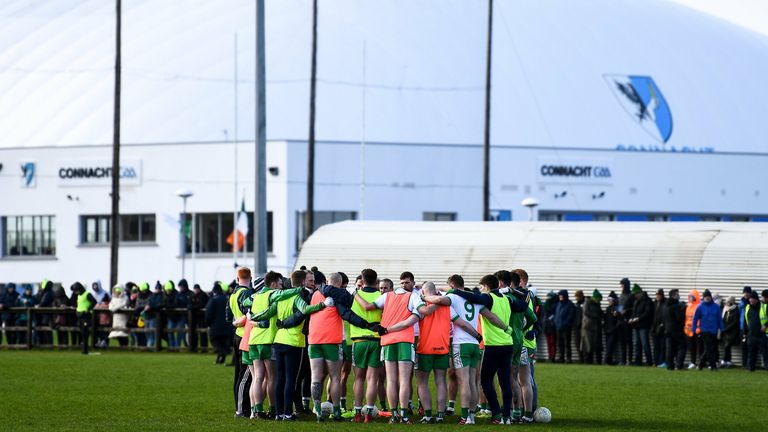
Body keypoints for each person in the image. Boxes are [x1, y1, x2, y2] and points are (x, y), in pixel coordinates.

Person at [446, 274, 532, 425]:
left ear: (486, 286)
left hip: (493, 346)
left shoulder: (488, 298)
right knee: (505, 382)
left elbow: (473, 298)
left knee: (485, 382)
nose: (480, 290)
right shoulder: (507, 299)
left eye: (481, 287)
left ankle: (496, 414)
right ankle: (507, 416)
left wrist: (454, 291)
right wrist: (520, 292)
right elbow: (523, 305)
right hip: (508, 344)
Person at [251, 270, 328, 421]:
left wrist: (252, 316)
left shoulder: (280, 298)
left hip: (278, 340)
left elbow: (267, 312)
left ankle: (279, 414)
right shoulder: (297, 297)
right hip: (293, 341)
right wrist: (322, 305)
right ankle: (287, 413)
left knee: (280, 379)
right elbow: (305, 310)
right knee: (290, 379)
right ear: (302, 282)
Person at [353, 271, 426, 424]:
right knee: (405, 380)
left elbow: (367, 306)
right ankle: (404, 416)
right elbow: (417, 315)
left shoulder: (387, 296)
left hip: (387, 341)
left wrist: (355, 293)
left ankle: (393, 416)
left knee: (391, 380)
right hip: (404, 341)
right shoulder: (412, 296)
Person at [319, 269, 386, 423]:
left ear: (361, 280)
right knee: (372, 378)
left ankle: (357, 413)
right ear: (376, 282)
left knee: (358, 378)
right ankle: (368, 413)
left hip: (358, 341)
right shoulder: (381, 297)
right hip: (376, 340)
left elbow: (346, 313)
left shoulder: (353, 296)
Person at [423, 274, 483, 424]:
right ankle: (472, 416)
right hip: (475, 345)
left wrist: (425, 297)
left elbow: (438, 300)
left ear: (452, 286)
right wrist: (477, 335)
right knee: (472, 382)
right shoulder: (475, 298)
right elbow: (490, 315)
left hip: (461, 344)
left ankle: (464, 418)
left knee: (463, 382)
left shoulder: (454, 297)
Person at [226, 267, 257, 418]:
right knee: (245, 375)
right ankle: (241, 409)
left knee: (240, 374)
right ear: (250, 278)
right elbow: (250, 314)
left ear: (238, 278)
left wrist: (236, 322)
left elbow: (228, 317)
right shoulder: (247, 293)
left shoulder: (233, 294)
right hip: (246, 337)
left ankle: (241, 407)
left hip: (237, 336)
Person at [691, 289, 724, 371]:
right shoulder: (700, 307)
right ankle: (713, 366)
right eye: (706, 297)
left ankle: (701, 364)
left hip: (714, 330)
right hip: (704, 330)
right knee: (710, 348)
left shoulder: (716, 307)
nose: (707, 298)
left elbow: (719, 318)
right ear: (703, 297)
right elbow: (695, 319)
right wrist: (694, 328)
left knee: (709, 348)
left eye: (709, 296)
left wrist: (722, 328)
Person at [206, 281, 231, 365]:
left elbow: (209, 313)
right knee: (223, 342)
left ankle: (225, 352)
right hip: (227, 326)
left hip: (215, 326)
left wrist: (208, 323)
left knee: (215, 342)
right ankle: (220, 359)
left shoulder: (213, 300)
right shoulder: (227, 299)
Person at [628, 284, 653, 366]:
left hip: (643, 326)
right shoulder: (636, 301)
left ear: (639, 293)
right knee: (636, 344)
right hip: (636, 326)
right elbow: (633, 312)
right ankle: (638, 361)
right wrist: (631, 318)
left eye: (635, 294)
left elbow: (648, 313)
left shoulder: (647, 301)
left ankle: (649, 361)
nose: (634, 296)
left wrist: (638, 318)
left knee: (645, 343)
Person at [662, 289, 687, 371]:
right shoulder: (675, 306)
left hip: (667, 330)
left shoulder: (665, 306)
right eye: (677, 295)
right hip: (676, 330)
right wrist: (683, 310)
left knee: (670, 348)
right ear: (674, 296)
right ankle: (679, 365)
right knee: (683, 345)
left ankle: (670, 365)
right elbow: (680, 318)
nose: (679, 296)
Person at [743, 291, 766, 372]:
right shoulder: (747, 307)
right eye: (750, 299)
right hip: (751, 334)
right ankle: (750, 368)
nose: (751, 300)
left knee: (765, 352)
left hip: (761, 334)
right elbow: (745, 321)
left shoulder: (763, 306)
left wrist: (765, 325)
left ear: (756, 299)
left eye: (752, 299)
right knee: (751, 352)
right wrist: (745, 333)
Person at [71, 282, 96, 354]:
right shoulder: (79, 295)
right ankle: (84, 349)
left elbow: (94, 302)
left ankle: (85, 350)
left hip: (86, 316)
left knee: (85, 333)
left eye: (76, 290)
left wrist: (88, 309)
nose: (76, 292)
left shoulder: (87, 294)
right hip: (80, 316)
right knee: (82, 333)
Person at [581, 289, 603, 364]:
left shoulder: (597, 305)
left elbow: (601, 313)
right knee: (587, 346)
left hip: (595, 328)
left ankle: (595, 362)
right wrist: (596, 316)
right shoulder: (587, 302)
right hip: (587, 327)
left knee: (595, 346)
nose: (599, 301)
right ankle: (587, 362)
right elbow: (586, 312)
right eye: (599, 299)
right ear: (595, 298)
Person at [554, 290, 575, 363]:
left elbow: (570, 317)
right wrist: (556, 323)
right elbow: (556, 315)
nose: (560, 297)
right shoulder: (558, 304)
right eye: (559, 296)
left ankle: (569, 359)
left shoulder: (570, 305)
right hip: (558, 327)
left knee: (567, 344)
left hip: (566, 328)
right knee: (560, 344)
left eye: (561, 296)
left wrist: (565, 324)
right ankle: (561, 358)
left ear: (565, 296)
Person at [684, 289, 702, 369]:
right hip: (689, 330)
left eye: (692, 296)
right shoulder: (688, 306)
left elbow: (700, 319)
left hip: (697, 330)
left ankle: (700, 362)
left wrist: (698, 328)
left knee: (699, 347)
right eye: (689, 296)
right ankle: (693, 362)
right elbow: (687, 318)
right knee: (692, 347)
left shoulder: (699, 306)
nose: (690, 298)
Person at [189, 283, 209, 352]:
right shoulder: (192, 295)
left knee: (202, 333)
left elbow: (202, 304)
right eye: (194, 289)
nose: (195, 290)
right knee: (194, 333)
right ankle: (194, 347)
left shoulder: (203, 295)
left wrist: (193, 307)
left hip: (202, 317)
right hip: (194, 317)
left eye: (196, 289)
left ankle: (204, 348)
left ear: (199, 289)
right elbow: (190, 304)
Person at [618, 278, 634, 364]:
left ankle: (629, 360)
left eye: (622, 284)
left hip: (627, 321)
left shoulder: (631, 295)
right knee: (622, 341)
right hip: (620, 320)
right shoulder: (621, 295)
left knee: (628, 341)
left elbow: (634, 308)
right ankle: (623, 360)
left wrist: (626, 311)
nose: (621, 286)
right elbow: (619, 306)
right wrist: (617, 311)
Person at [720, 296, 739, 368]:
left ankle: (725, 360)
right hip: (725, 332)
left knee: (727, 346)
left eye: (729, 302)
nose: (727, 303)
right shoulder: (725, 310)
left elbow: (735, 322)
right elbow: (723, 319)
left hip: (731, 332)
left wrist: (726, 328)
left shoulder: (735, 310)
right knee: (726, 347)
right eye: (726, 302)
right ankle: (727, 361)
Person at [652, 289, 667, 368]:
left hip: (662, 328)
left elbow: (665, 316)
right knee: (655, 347)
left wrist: (662, 325)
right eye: (656, 295)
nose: (657, 296)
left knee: (662, 347)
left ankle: (662, 362)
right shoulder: (654, 304)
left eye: (659, 295)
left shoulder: (665, 303)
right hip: (654, 328)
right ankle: (655, 362)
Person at [738, 286, 752, 370]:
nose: (746, 294)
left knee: (750, 346)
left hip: (750, 328)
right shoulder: (741, 303)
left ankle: (750, 363)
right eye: (745, 292)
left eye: (747, 292)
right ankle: (744, 363)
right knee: (743, 346)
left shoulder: (752, 302)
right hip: (742, 328)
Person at [604, 291, 619, 365]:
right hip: (608, 330)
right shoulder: (607, 309)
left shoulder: (618, 307)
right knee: (608, 346)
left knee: (610, 346)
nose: (608, 301)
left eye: (610, 300)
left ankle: (606, 360)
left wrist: (617, 314)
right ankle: (609, 361)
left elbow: (621, 316)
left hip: (614, 330)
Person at [542, 291, 557, 362]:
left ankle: (553, 357)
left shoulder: (555, 305)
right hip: (546, 326)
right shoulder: (545, 305)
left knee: (552, 342)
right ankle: (549, 357)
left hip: (553, 326)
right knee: (549, 342)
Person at [572, 290, 585, 363]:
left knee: (583, 344)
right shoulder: (576, 305)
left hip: (582, 328)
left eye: (577, 297)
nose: (576, 298)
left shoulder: (584, 304)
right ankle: (581, 359)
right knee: (577, 343)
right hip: (576, 328)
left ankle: (584, 359)